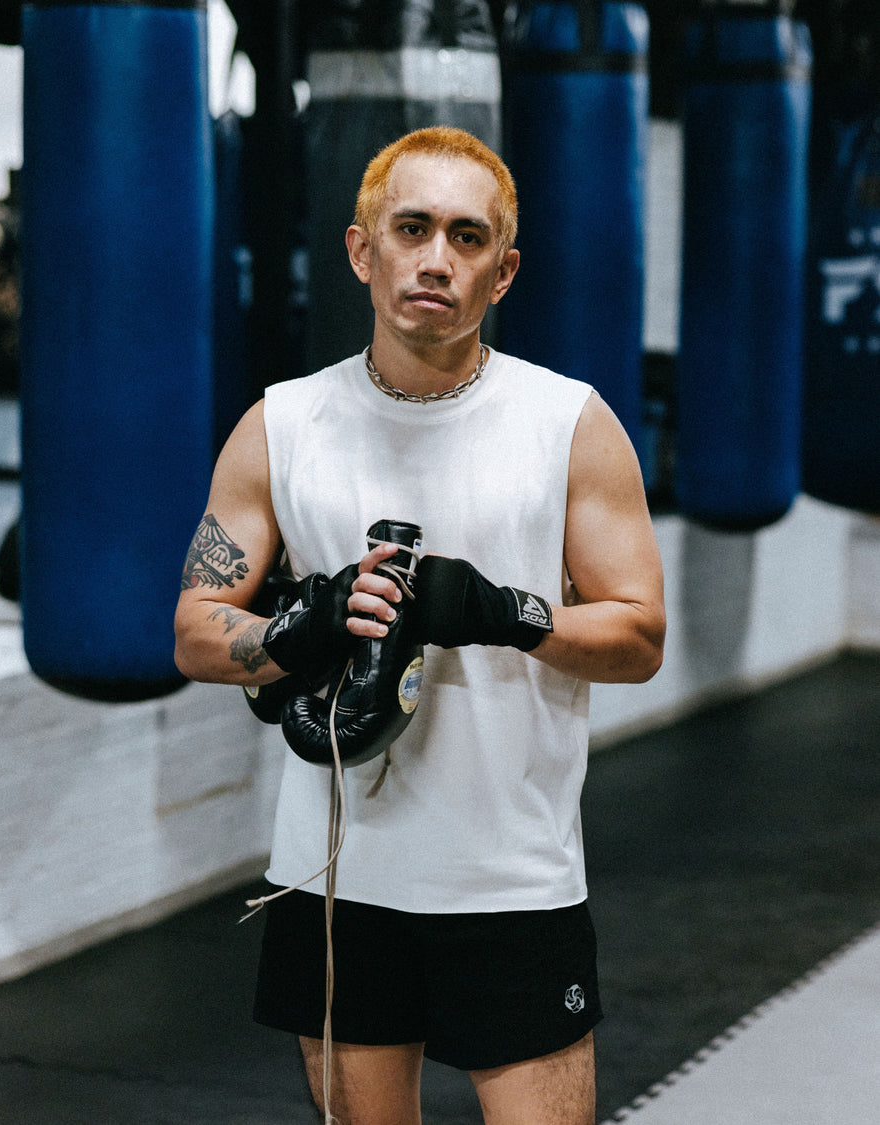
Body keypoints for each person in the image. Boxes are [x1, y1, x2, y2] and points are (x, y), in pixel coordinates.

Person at [174, 125, 665, 1125]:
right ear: (364, 251)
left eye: (468, 236)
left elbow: (640, 635)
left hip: (511, 880)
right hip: (336, 877)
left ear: (504, 270)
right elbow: (193, 630)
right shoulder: (281, 425)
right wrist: (294, 635)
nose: (437, 257)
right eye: (412, 228)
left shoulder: (568, 422)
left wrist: (506, 614)